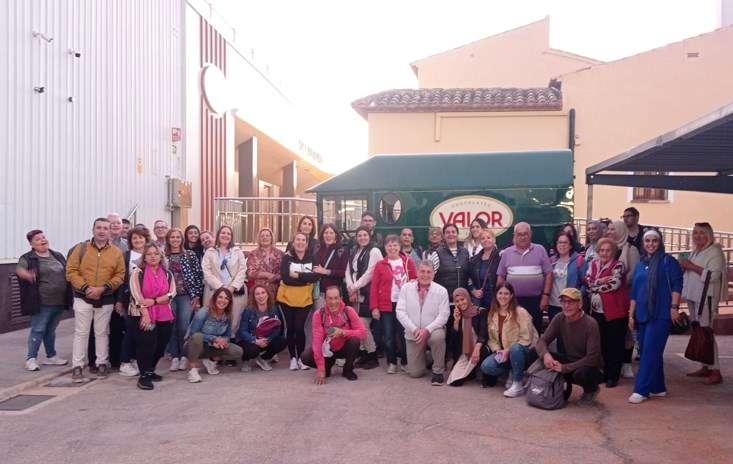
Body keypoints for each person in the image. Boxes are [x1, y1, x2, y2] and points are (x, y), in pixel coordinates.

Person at [66, 218, 125, 382]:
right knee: (81, 332)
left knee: (102, 332)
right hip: (82, 297)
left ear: (110, 231)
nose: (102, 231)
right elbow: (71, 271)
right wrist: (86, 288)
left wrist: (103, 288)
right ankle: (77, 366)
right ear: (93, 230)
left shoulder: (116, 252)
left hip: (105, 298)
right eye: (98, 228)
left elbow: (120, 275)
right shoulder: (81, 248)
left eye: (105, 228)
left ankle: (102, 363)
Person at [628, 230, 683, 404]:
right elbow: (634, 292)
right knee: (649, 351)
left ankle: (641, 390)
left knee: (649, 352)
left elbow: (677, 285)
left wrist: (674, 307)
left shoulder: (668, 262)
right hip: (643, 315)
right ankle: (658, 387)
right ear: (643, 243)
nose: (651, 244)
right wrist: (631, 315)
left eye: (654, 241)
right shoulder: (640, 264)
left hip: (661, 314)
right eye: (647, 241)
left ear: (660, 243)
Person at [535, 287, 603, 404]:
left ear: (580, 304)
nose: (566, 306)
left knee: (582, 374)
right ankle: (540, 384)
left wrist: (564, 368)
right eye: (563, 302)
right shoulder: (559, 317)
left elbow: (592, 358)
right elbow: (542, 341)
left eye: (570, 302)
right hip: (568, 360)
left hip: (587, 366)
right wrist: (546, 355)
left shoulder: (591, 324)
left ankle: (591, 390)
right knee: (534, 352)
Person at [680, 222, 727, 385]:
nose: (698, 236)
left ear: (709, 235)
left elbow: (713, 276)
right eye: (695, 233)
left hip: (706, 298)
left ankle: (716, 370)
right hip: (694, 297)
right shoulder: (696, 251)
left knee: (706, 333)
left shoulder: (715, 251)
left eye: (702, 233)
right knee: (699, 331)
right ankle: (705, 366)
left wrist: (690, 266)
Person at [17, 230, 71, 371]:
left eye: (43, 237)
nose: (42, 240)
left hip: (59, 300)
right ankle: (31, 359)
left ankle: (51, 356)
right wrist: (27, 274)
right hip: (42, 302)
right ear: (31, 244)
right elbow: (19, 269)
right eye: (37, 239)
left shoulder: (57, 255)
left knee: (50, 330)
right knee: (38, 329)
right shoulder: (28, 258)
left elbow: (68, 271)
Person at [128, 243, 175, 390]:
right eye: (149, 254)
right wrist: (145, 314)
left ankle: (150, 370)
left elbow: (171, 294)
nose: (153, 256)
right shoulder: (138, 273)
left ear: (161, 256)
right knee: (147, 344)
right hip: (142, 314)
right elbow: (137, 296)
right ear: (144, 257)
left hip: (164, 314)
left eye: (156, 253)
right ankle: (144, 376)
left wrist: (154, 301)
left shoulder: (167, 274)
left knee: (161, 344)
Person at [395, 260, 450, 385]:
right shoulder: (406, 288)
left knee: (438, 337)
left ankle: (437, 371)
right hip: (413, 333)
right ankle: (428, 357)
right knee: (415, 373)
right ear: (417, 272)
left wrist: (427, 330)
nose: (425, 275)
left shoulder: (441, 291)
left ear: (434, 274)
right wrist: (414, 329)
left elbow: (444, 315)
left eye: (429, 272)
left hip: (432, 331)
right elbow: (400, 312)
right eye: (422, 271)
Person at [478, 283, 537, 397]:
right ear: (496, 295)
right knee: (486, 366)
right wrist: (498, 351)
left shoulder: (520, 312)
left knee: (515, 348)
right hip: (504, 352)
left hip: (523, 351)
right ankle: (513, 371)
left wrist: (508, 350)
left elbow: (527, 338)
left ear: (511, 296)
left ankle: (517, 384)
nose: (503, 296)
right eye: (500, 293)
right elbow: (492, 339)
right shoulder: (492, 313)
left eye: (506, 293)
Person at [370, 235, 417, 373]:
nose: (392, 248)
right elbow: (374, 287)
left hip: (404, 304)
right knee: (389, 336)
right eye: (389, 245)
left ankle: (405, 362)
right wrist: (374, 307)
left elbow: (415, 279)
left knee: (403, 334)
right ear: (385, 248)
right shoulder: (380, 264)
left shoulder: (408, 261)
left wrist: (413, 281)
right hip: (386, 305)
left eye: (395, 245)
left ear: (399, 247)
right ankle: (391, 362)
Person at [586, 238, 629, 388]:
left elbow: (615, 284)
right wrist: (600, 281)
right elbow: (587, 281)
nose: (604, 253)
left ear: (613, 252)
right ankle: (605, 373)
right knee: (602, 343)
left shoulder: (618, 265)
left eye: (608, 250)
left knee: (614, 345)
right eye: (602, 250)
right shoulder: (593, 264)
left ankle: (613, 376)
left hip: (615, 312)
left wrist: (595, 285)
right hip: (597, 312)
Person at [301, 286, 367, 383]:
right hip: (327, 350)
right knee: (305, 356)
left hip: (344, 347)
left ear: (341, 298)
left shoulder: (348, 310)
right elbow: (317, 342)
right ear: (325, 299)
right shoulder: (318, 314)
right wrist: (321, 369)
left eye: (336, 298)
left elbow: (363, 333)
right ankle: (327, 367)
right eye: (330, 298)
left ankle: (348, 370)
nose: (333, 302)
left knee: (355, 340)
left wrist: (343, 332)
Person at [496, 222, 553, 334]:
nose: (522, 237)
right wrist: (500, 299)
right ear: (514, 236)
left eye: (525, 234)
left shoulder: (540, 250)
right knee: (514, 332)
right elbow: (501, 276)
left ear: (530, 234)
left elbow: (549, 274)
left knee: (534, 332)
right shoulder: (507, 253)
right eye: (519, 234)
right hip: (513, 301)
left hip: (535, 301)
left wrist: (546, 296)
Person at [277, 232, 322, 371]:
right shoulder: (287, 257)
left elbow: (316, 276)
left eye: (303, 240)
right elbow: (286, 278)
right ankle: (292, 358)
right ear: (293, 242)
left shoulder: (312, 257)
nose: (300, 242)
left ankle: (301, 358)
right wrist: (306, 278)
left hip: (305, 298)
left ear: (307, 243)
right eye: (298, 239)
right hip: (286, 298)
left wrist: (297, 275)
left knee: (299, 328)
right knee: (290, 328)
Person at [185, 287, 244, 383]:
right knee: (197, 336)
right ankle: (192, 369)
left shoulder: (228, 315)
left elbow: (227, 335)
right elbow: (192, 334)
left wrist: (223, 341)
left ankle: (210, 361)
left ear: (229, 302)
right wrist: (213, 339)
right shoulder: (203, 312)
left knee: (238, 351)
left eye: (226, 298)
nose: (223, 300)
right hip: (194, 346)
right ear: (215, 298)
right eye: (220, 297)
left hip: (211, 347)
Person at [165, 228, 204, 372]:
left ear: (182, 239)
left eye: (177, 237)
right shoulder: (163, 256)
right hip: (167, 297)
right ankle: (174, 356)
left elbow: (198, 275)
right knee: (171, 326)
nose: (175, 239)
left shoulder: (189, 254)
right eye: (172, 237)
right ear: (168, 240)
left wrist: (196, 295)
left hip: (186, 295)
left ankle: (184, 355)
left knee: (183, 326)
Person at [345, 226, 384, 369]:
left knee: (363, 324)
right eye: (359, 235)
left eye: (365, 235)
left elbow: (370, 273)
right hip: (355, 293)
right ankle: (363, 354)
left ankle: (372, 356)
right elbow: (348, 271)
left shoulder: (374, 251)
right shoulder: (354, 250)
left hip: (368, 293)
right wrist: (350, 288)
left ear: (370, 236)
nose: (362, 238)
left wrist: (354, 287)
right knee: (356, 325)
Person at [606, 220, 640, 379]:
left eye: (613, 229)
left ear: (621, 230)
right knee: (611, 332)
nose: (609, 232)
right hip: (608, 296)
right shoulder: (607, 248)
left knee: (626, 331)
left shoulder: (631, 250)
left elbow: (634, 273)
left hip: (626, 295)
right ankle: (612, 364)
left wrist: (616, 279)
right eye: (608, 229)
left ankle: (626, 363)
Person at [432, 223, 470, 363]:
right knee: (445, 332)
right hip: (445, 301)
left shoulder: (465, 252)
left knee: (459, 332)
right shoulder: (437, 254)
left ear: (457, 234)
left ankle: (458, 360)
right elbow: (431, 276)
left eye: (453, 231)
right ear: (444, 235)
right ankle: (442, 360)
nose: (451, 234)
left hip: (462, 302)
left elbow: (469, 275)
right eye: (447, 232)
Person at [116, 226, 150, 377]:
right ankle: (125, 362)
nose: (138, 240)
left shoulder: (150, 253)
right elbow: (121, 280)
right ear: (130, 240)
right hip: (131, 299)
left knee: (143, 332)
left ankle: (136, 359)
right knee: (131, 331)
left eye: (140, 237)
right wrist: (119, 300)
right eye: (134, 238)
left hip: (148, 299)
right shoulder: (126, 256)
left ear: (146, 239)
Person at [202, 225, 247, 334]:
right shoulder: (210, 252)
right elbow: (206, 271)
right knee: (214, 316)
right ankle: (213, 339)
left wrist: (232, 287)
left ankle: (231, 339)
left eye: (228, 233)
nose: (225, 235)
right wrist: (220, 288)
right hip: (215, 290)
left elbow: (242, 270)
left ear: (231, 237)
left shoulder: (237, 251)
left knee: (234, 317)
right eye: (223, 233)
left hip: (234, 291)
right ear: (218, 235)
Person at [236, 285, 286, 372]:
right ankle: (246, 360)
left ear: (268, 294)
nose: (261, 296)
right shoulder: (248, 310)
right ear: (254, 296)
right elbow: (242, 331)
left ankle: (263, 358)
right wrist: (255, 340)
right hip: (251, 340)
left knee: (282, 341)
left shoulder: (273, 308)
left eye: (263, 293)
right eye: (257, 294)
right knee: (252, 350)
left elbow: (277, 329)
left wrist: (268, 339)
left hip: (265, 339)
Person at [447, 287, 489, 387]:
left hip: (479, 348)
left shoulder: (480, 312)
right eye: (457, 301)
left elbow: (483, 334)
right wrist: (456, 321)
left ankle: (481, 372)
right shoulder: (457, 314)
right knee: (454, 382)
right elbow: (454, 342)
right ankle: (472, 372)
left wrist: (477, 349)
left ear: (468, 298)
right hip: (465, 353)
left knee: (489, 381)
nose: (460, 303)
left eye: (462, 299)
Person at [312, 224, 348, 308]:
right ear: (322, 235)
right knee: (320, 315)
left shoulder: (341, 251)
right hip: (319, 292)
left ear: (336, 235)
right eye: (326, 233)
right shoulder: (317, 249)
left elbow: (344, 272)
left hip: (334, 293)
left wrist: (326, 271)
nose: (328, 235)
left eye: (331, 233)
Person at [466, 229, 500, 308]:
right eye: (483, 238)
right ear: (480, 241)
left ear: (494, 240)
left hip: (497, 299)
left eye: (488, 237)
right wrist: (473, 290)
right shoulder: (474, 260)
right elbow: (468, 277)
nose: (486, 240)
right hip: (480, 300)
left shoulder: (501, 256)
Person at [246, 227, 285, 296]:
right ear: (259, 239)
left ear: (271, 238)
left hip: (276, 289)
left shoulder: (280, 253)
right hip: (259, 290)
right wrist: (266, 275)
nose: (265, 237)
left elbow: (283, 271)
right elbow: (250, 273)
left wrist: (274, 278)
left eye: (267, 235)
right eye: (262, 236)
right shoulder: (253, 254)